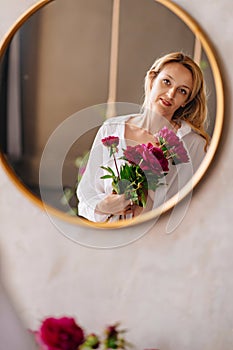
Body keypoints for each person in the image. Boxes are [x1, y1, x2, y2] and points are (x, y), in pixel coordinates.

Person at [77, 52, 210, 222]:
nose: (170, 94)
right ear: (152, 79)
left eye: (182, 91)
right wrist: (105, 206)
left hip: (160, 242)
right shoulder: (112, 129)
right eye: (166, 81)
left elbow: (200, 207)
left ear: (186, 101)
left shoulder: (194, 145)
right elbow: (86, 194)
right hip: (110, 239)